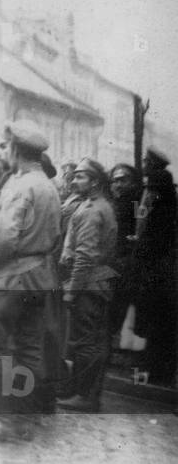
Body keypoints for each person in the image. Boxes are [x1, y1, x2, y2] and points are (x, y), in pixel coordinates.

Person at [0, 120, 60, 443]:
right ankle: (24, 417)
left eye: (6, 147)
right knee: (29, 349)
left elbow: (5, 237)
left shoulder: (18, 185)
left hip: (13, 277)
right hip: (39, 277)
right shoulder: (48, 185)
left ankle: (2, 420)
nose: (3, 152)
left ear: (17, 150)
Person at [57, 158, 118, 412]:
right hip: (94, 282)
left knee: (87, 342)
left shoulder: (93, 210)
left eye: (81, 177)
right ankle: (81, 391)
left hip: (89, 284)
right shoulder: (94, 204)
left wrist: (72, 292)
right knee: (89, 340)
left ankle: (87, 397)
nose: (73, 180)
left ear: (94, 182)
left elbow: (85, 256)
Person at [131, 147, 177, 385]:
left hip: (157, 271)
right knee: (155, 323)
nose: (144, 163)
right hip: (156, 269)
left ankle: (154, 373)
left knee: (155, 323)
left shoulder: (158, 191)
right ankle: (154, 372)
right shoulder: (156, 190)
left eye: (147, 161)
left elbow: (153, 231)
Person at [107, 163, 141, 337]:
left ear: (133, 182)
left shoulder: (138, 202)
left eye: (123, 180)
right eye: (115, 181)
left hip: (128, 260)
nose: (118, 185)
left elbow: (142, 227)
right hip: (112, 258)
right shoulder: (112, 202)